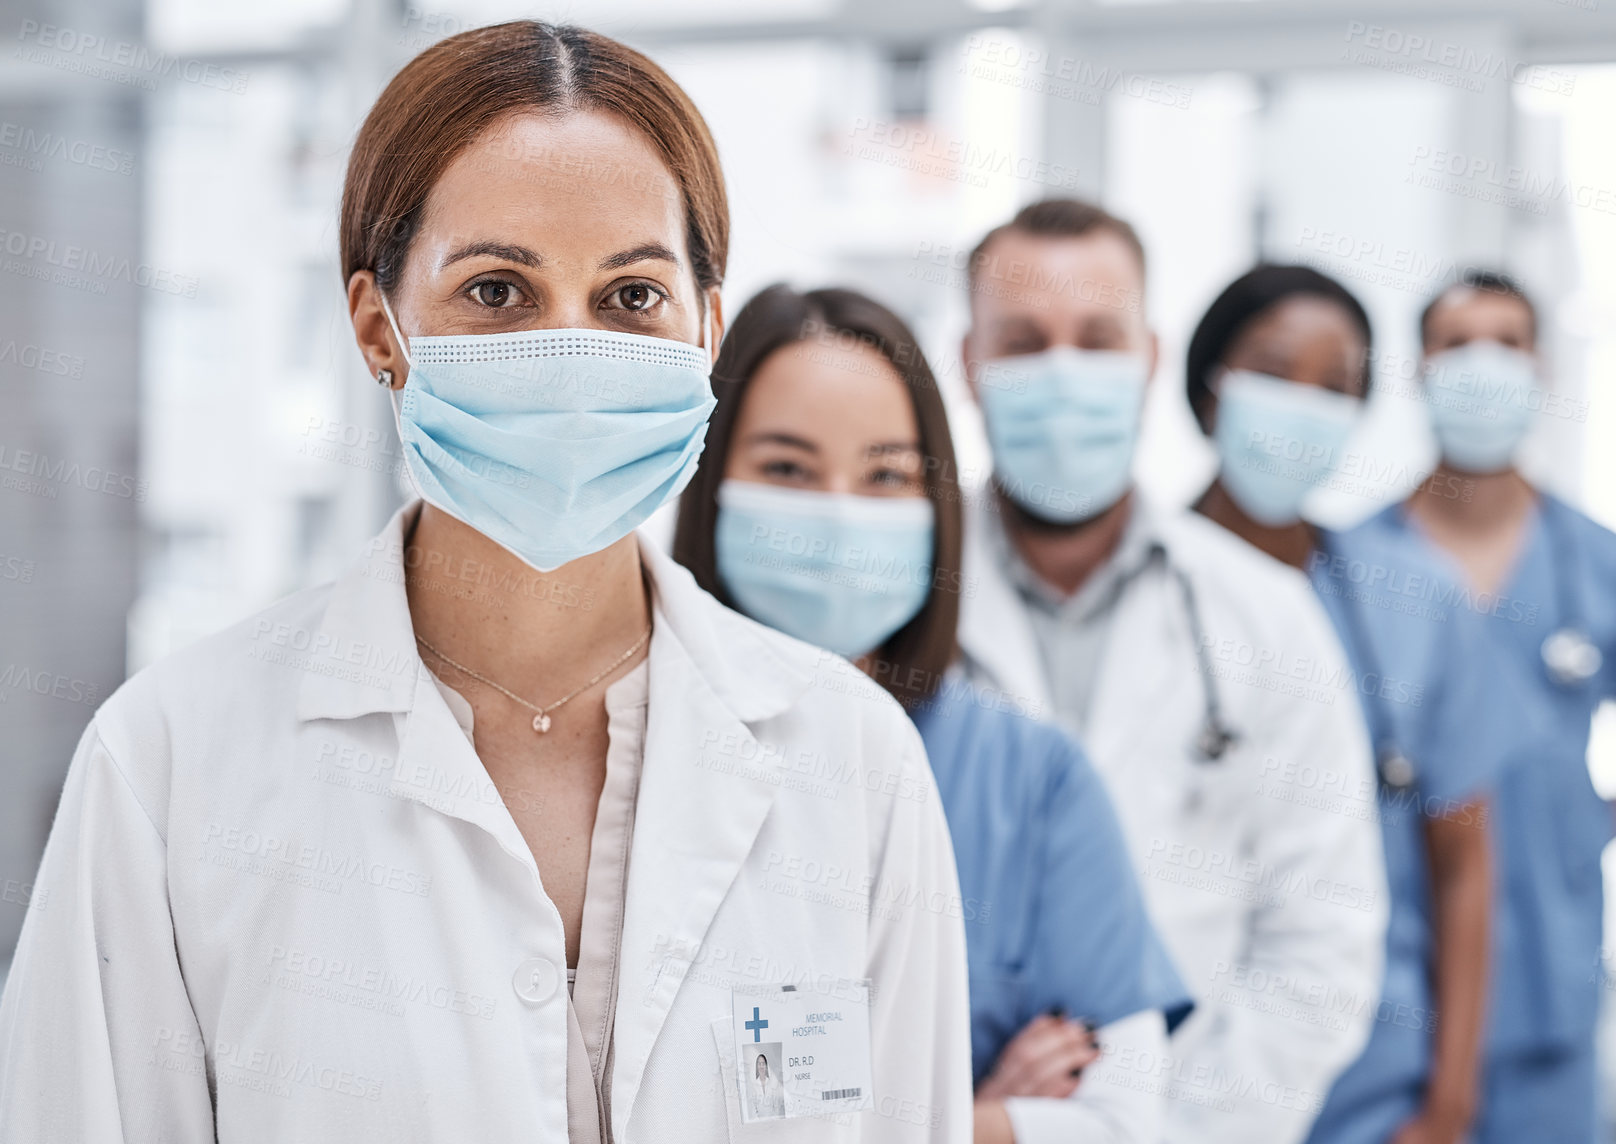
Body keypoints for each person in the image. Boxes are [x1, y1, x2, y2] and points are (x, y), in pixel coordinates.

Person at [0, 23, 971, 1144]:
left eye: (630, 298)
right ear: (378, 326)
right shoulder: (171, 767)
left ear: (708, 325)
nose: (568, 351)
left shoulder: (849, 762)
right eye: (499, 291)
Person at [672, 283, 1194, 1144]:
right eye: (787, 469)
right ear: (709, 483)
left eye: (885, 475)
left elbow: (1123, 1121)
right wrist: (969, 1114)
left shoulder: (1031, 781)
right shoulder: (632, 747)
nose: (839, 513)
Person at [954, 200, 1387, 1144]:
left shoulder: (1264, 615)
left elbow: (1321, 936)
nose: (1063, 372)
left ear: (1149, 357)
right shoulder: (900, 605)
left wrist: (1170, 1129)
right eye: (1024, 342)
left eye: (1096, 340)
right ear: (968, 364)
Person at [1356, 271, 1616, 1143]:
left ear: (1540, 366)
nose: (1482, 363)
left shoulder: (1602, 565)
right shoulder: (1352, 566)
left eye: (1507, 341)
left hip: (1544, 996)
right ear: (1418, 367)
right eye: (1456, 342)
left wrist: (1557, 846)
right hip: (1387, 990)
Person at [1186, 264, 1511, 1144]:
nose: (1300, 406)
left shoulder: (1411, 600)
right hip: (1170, 1082)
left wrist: (1447, 1103)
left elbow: (1463, 861)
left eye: (1334, 387)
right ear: (1208, 383)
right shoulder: (1139, 589)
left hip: (1369, 1093)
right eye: (1273, 370)